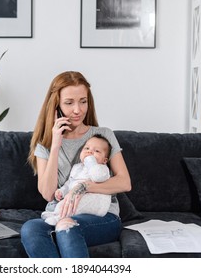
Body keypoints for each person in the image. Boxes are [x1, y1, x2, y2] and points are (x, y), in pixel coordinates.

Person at [21, 71, 131, 258]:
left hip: (101, 216)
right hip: (59, 213)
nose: (78, 110)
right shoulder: (45, 143)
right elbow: (48, 194)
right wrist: (55, 145)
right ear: (56, 106)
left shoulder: (103, 135)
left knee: (68, 227)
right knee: (30, 229)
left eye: (83, 101)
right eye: (69, 103)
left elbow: (124, 183)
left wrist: (85, 186)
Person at [41, 134, 113, 226]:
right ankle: (56, 214)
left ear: (104, 160)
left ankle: (59, 217)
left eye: (97, 151)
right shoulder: (77, 167)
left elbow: (97, 177)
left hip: (95, 202)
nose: (90, 152)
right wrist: (62, 191)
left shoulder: (102, 169)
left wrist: (90, 162)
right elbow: (70, 183)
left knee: (75, 203)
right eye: (86, 148)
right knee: (65, 202)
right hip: (76, 197)